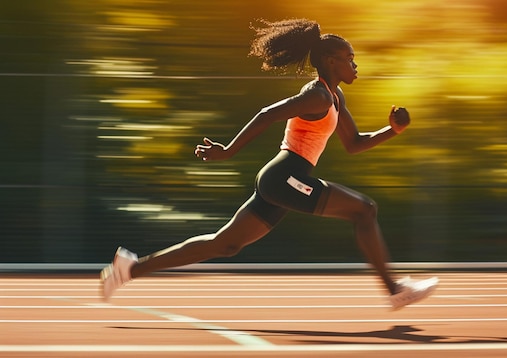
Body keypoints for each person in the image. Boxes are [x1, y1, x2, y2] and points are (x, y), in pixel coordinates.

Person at [100, 18, 438, 310]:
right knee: (364, 209)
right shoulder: (317, 95)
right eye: (350, 58)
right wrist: (228, 151)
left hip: (286, 180)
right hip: (285, 176)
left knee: (225, 243)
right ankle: (395, 291)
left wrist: (393, 131)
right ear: (332, 61)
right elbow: (267, 114)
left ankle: (130, 268)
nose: (355, 64)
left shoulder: (335, 97)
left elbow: (354, 144)